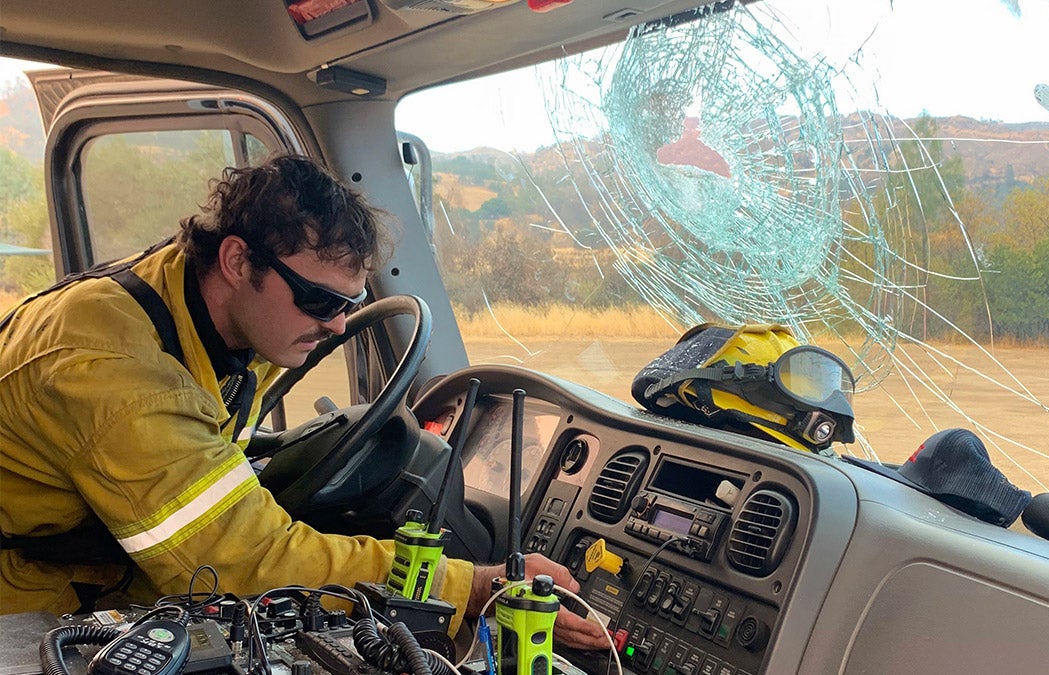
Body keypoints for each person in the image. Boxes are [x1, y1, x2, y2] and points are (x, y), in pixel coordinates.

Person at [0, 155, 609, 649]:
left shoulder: (215, 308)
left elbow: (207, 446)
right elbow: (241, 563)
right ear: (238, 260)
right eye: (320, 302)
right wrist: (476, 587)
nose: (340, 326)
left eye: (350, 302)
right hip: (28, 610)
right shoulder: (115, 371)